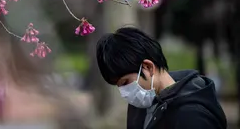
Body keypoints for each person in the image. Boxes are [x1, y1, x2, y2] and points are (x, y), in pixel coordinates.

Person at [96, 27, 227, 129]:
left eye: (125, 82)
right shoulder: (141, 105)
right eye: (119, 86)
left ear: (147, 67)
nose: (124, 93)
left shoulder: (192, 115)